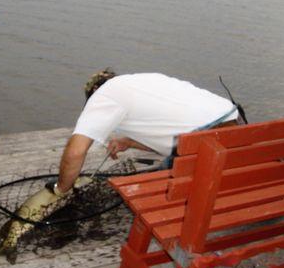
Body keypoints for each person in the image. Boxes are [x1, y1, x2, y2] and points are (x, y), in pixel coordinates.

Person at [51, 69, 242, 196]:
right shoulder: (145, 81)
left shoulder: (103, 95)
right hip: (237, 135)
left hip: (204, 157)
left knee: (152, 191)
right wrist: (130, 142)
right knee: (171, 164)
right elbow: (177, 133)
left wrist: (61, 190)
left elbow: (75, 152)